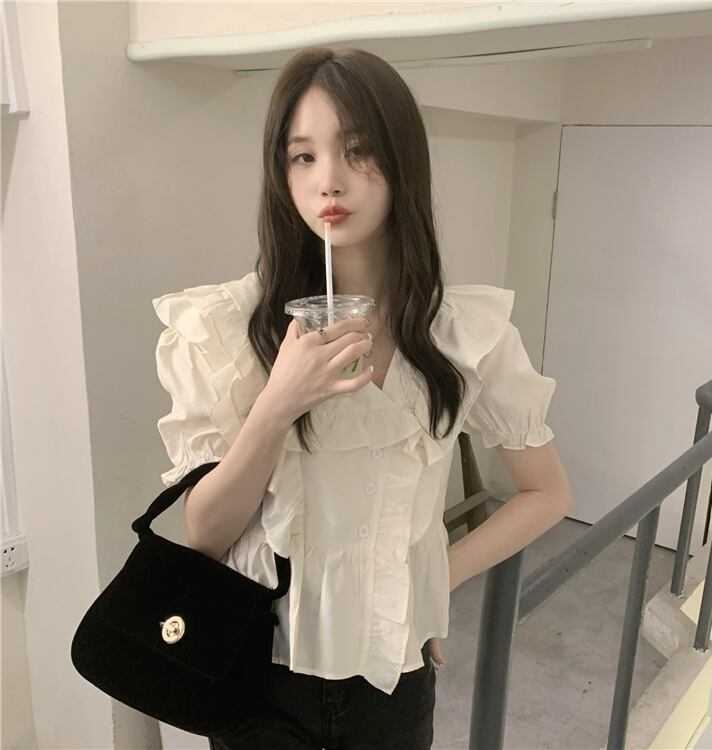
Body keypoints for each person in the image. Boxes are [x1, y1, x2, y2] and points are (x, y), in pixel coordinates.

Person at [152, 47, 565, 749]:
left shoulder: (464, 334)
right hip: (255, 673)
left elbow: (546, 493)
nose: (329, 181)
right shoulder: (225, 328)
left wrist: (431, 584)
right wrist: (277, 404)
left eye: (358, 150)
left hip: (392, 683)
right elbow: (206, 534)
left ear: (403, 161)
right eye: (302, 156)